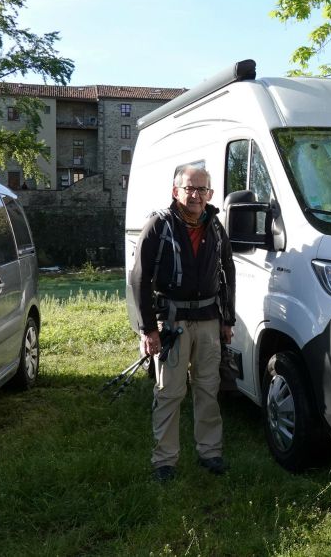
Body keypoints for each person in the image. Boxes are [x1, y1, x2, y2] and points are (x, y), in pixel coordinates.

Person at [130, 165, 236, 482]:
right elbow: (138, 279)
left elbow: (227, 274)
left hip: (207, 322)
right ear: (176, 191)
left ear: (210, 194)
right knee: (170, 393)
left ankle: (210, 454)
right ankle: (165, 461)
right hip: (171, 324)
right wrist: (148, 329)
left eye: (202, 189)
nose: (195, 195)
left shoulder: (215, 228)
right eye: (189, 188)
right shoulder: (158, 225)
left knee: (208, 389)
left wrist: (227, 319)